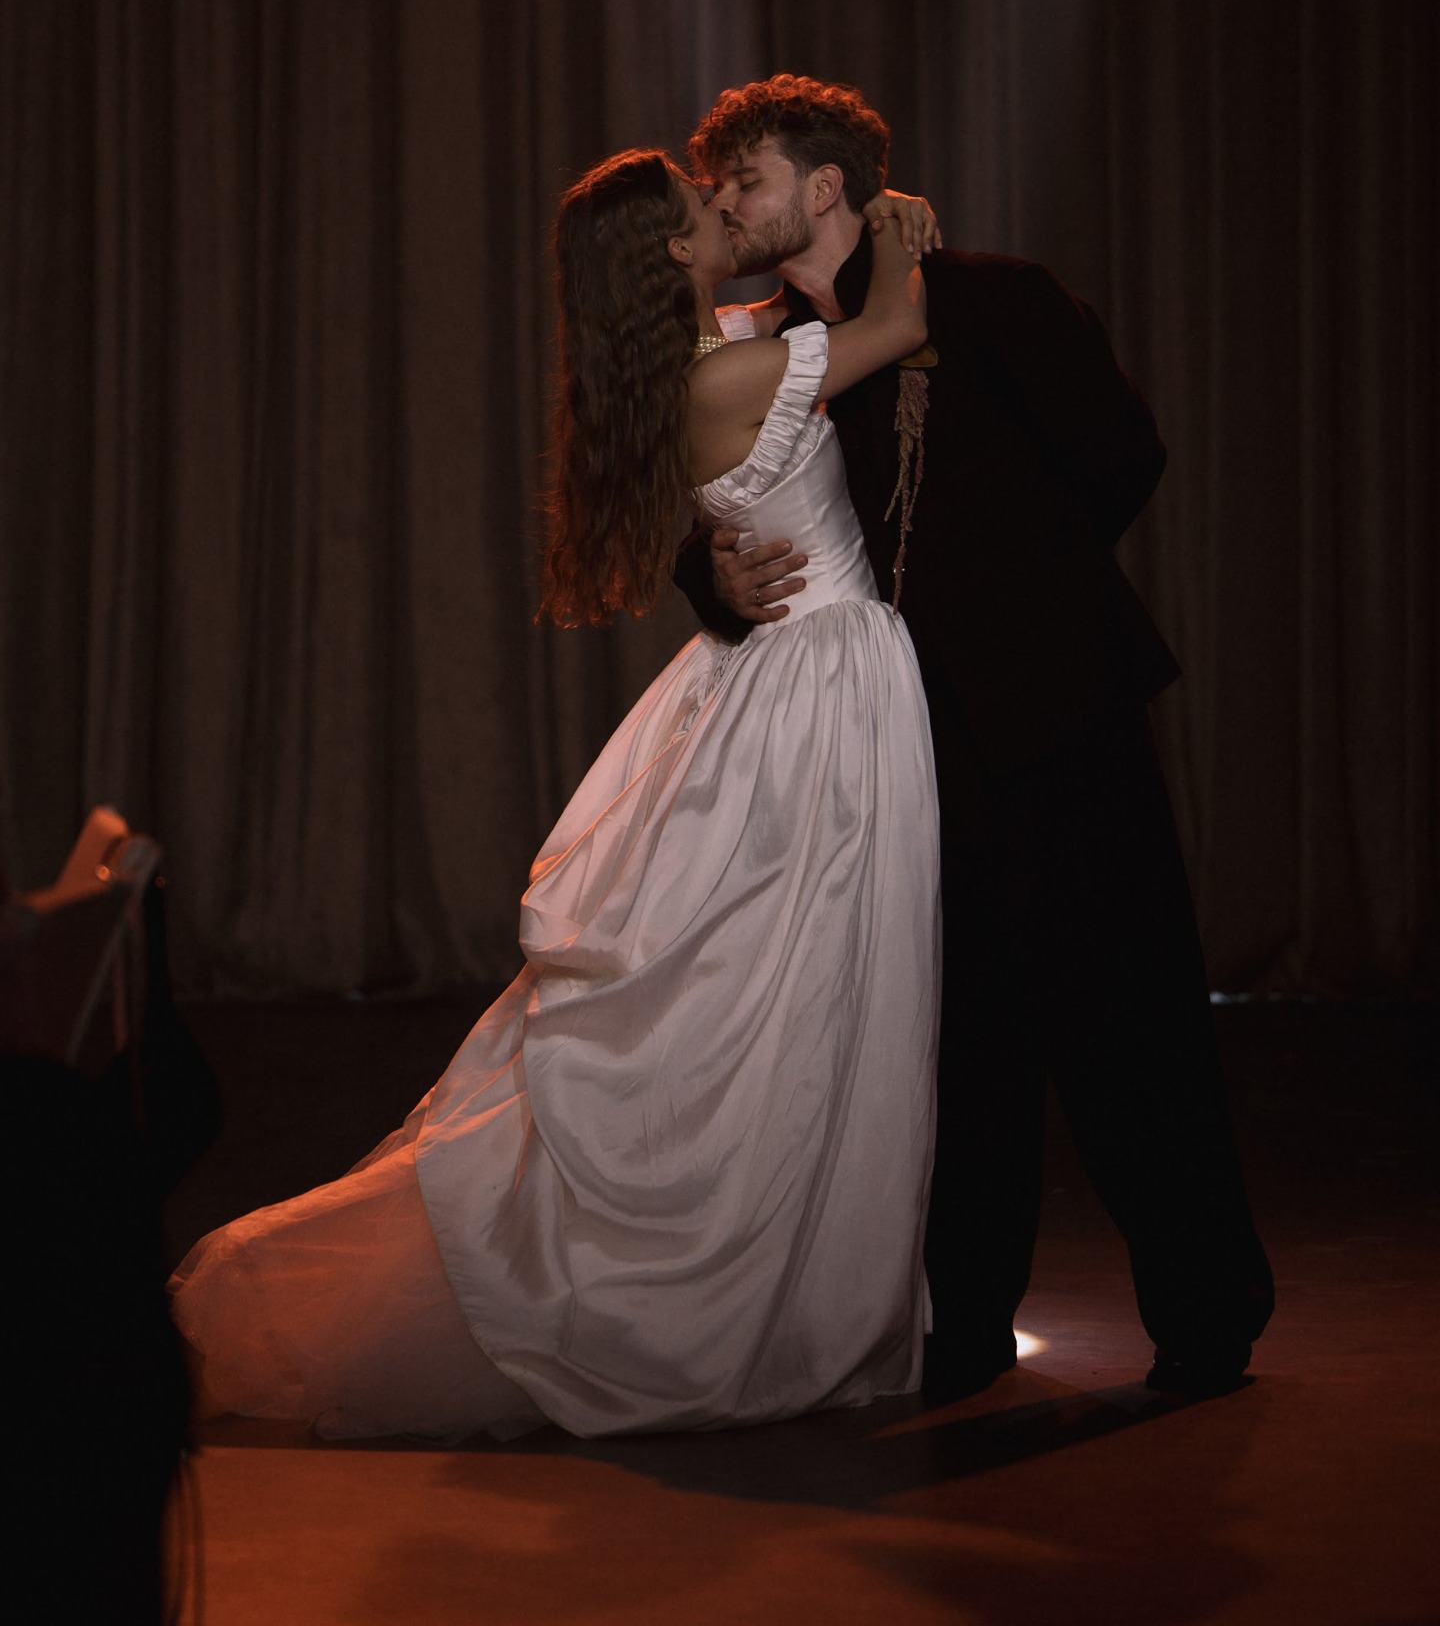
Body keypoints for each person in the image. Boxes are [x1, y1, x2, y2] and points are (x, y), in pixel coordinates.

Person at [169, 148, 947, 1440]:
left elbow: (792, 344)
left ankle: (795, 1277)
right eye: (704, 207)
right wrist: (899, 223)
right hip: (816, 692)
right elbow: (898, 326)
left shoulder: (717, 355)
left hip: (782, 682)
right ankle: (737, 1298)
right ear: (674, 253)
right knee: (795, 983)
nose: (724, 209)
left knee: (790, 987)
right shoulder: (736, 372)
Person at [679, 74, 1274, 1400]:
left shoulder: (994, 297)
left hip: (1054, 718)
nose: (728, 205)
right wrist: (715, 579)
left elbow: (1120, 454)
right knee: (946, 1040)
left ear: (825, 186)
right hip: (888, 752)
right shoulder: (767, 344)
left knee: (1128, 1019)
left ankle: (1206, 1312)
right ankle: (960, 1325)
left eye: (749, 181)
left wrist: (1016, 602)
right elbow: (719, 521)